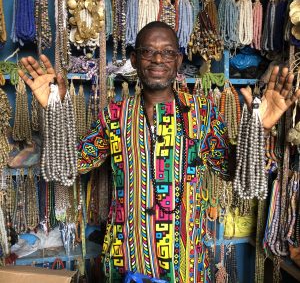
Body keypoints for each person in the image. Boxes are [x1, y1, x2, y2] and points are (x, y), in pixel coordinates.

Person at [19, 21, 300, 282]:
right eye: (148, 52)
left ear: (178, 60)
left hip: (186, 263)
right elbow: (75, 164)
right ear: (133, 60)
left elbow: (231, 170)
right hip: (126, 258)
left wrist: (258, 127)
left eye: (167, 52)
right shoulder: (114, 115)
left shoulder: (201, 113)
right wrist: (53, 108)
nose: (157, 59)